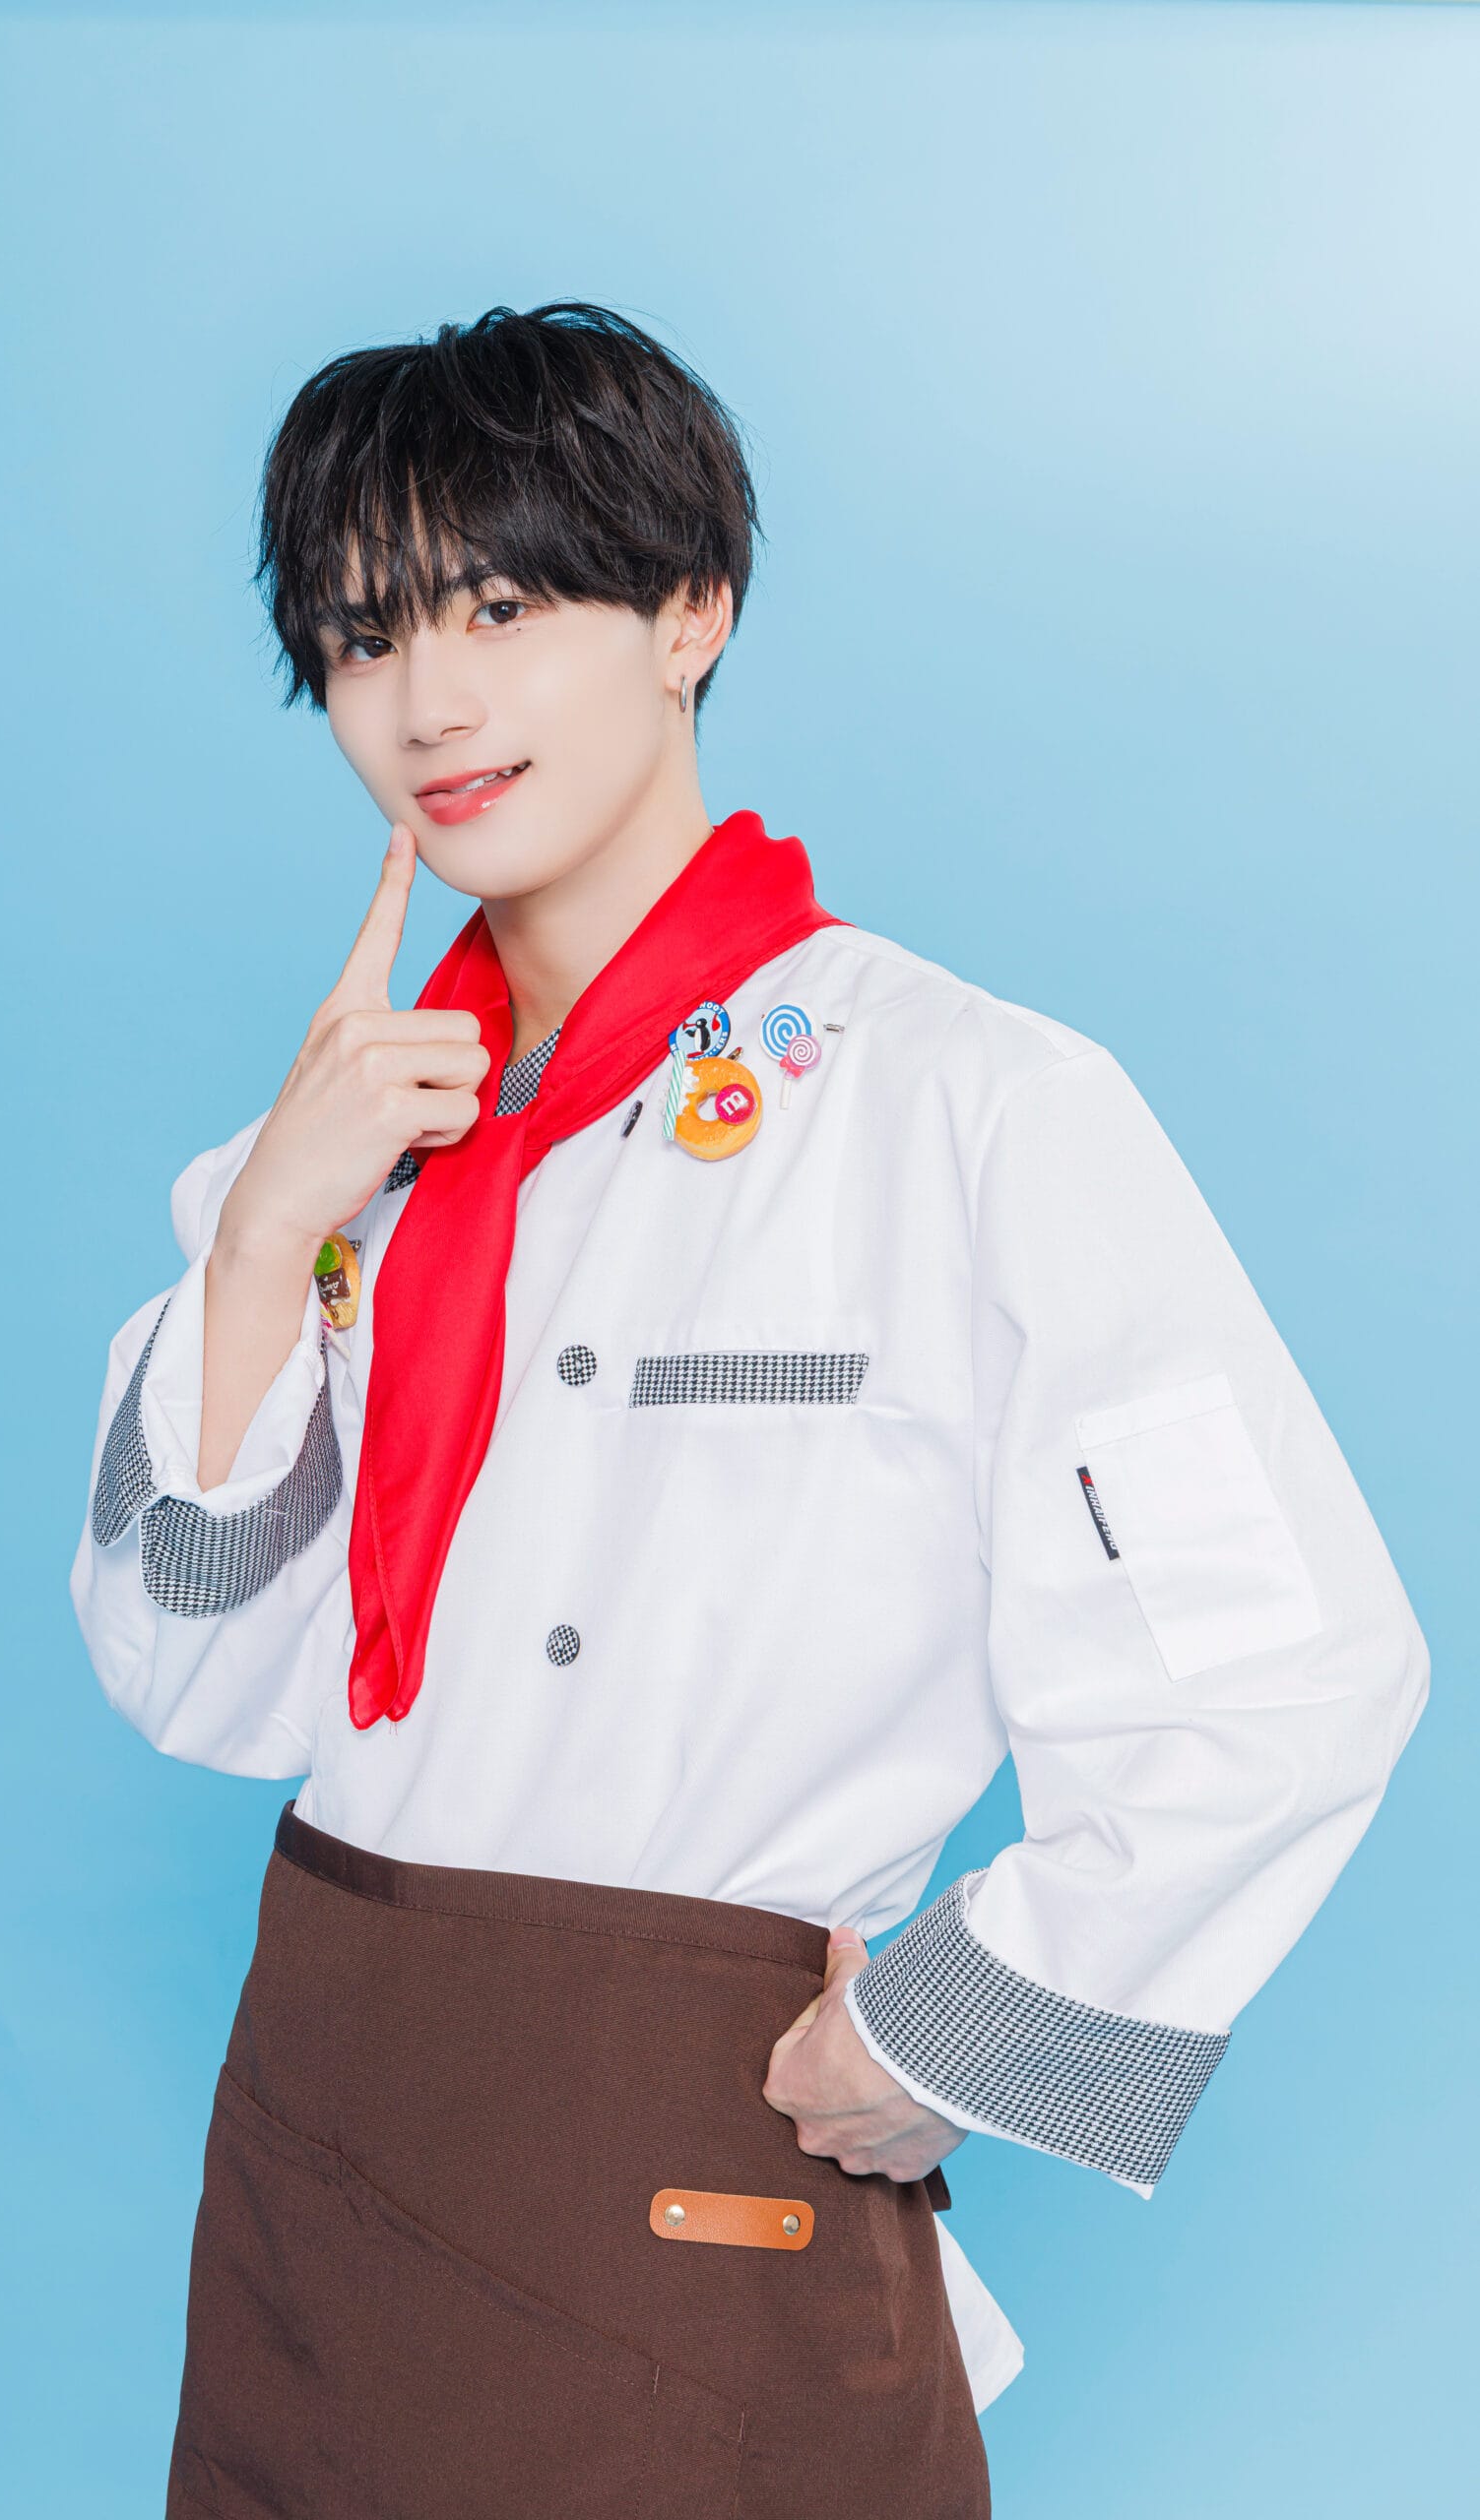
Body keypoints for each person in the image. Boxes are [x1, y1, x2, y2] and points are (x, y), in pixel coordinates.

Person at [71, 300, 1429, 2520]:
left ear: (690, 611)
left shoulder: (969, 1108)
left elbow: (1289, 1668)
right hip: (319, 2111)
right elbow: (190, 1679)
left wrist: (944, 2037)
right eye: (360, 637)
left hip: (693, 2128)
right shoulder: (330, 1156)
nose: (426, 705)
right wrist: (259, 1245)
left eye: (500, 609)